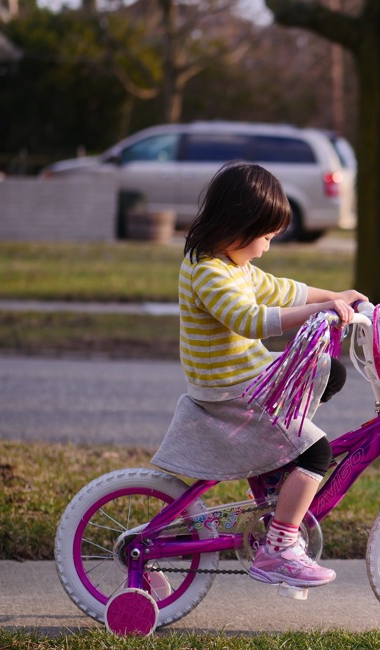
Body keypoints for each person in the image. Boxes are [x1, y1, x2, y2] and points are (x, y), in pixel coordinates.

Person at [151, 161, 366, 588]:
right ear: (237, 224)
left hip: (245, 373)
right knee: (315, 452)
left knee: (331, 372)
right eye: (265, 237)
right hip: (229, 387)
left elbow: (282, 289)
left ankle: (275, 460)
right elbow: (250, 319)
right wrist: (321, 310)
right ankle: (279, 548)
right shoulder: (208, 272)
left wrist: (335, 296)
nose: (266, 247)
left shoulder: (232, 264)